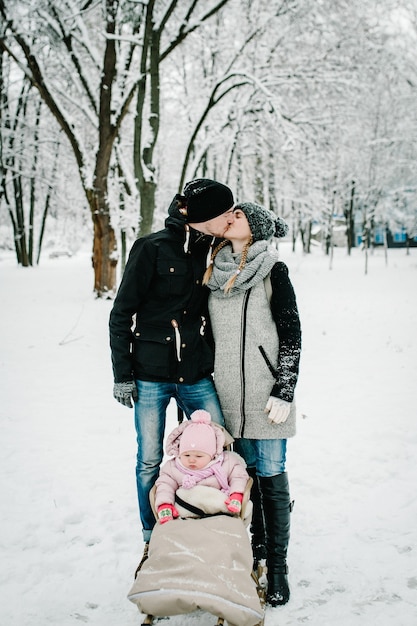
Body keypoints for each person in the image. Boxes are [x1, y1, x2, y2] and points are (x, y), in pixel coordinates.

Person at [109, 178, 235, 571]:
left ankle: (214, 528)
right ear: (204, 217)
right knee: (149, 459)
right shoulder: (151, 248)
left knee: (222, 449)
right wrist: (122, 373)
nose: (230, 218)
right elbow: (121, 314)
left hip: (195, 372)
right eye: (224, 213)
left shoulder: (215, 251)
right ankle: (154, 538)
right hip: (150, 374)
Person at [204, 202, 302, 607]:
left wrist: (285, 388)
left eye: (239, 216)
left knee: (272, 472)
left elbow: (292, 331)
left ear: (255, 227)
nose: (231, 219)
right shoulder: (214, 272)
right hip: (226, 394)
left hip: (266, 396)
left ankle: (277, 568)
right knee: (244, 475)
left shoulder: (273, 270)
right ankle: (255, 547)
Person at [154, 409, 249, 523]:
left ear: (212, 454)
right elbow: (165, 486)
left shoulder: (226, 463)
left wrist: (236, 495)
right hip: (187, 513)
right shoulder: (173, 468)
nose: (192, 459)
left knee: (246, 507)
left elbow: (239, 477)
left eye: (199, 456)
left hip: (218, 513)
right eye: (187, 454)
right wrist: (165, 505)